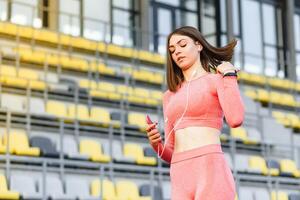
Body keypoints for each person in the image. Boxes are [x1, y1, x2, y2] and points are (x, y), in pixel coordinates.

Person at [146, 26, 244, 200]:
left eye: (182, 44)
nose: (177, 52)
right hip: (179, 174)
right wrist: (157, 144)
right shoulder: (168, 96)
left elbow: (236, 119)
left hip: (210, 169)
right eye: (172, 49)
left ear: (199, 45)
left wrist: (229, 76)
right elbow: (170, 154)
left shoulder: (216, 81)